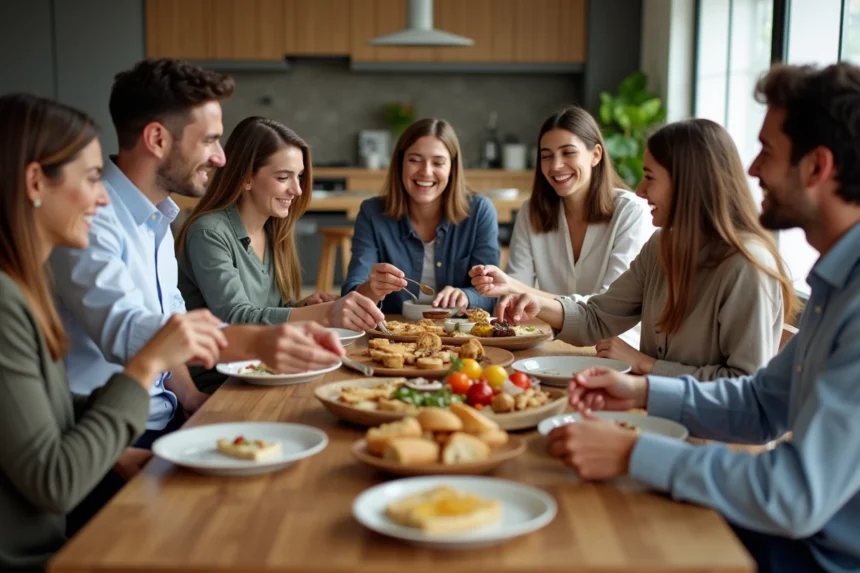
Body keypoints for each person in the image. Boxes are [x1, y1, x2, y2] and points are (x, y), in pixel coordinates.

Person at [547, 62, 860, 573]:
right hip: (799, 536)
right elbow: (762, 403)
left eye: (769, 152)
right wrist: (644, 393)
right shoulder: (837, 282)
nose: (753, 168)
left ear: (817, 167)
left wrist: (632, 454)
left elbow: (795, 494)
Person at [48, 59, 344, 533]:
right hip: (107, 440)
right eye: (209, 140)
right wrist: (253, 342)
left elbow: (171, 325)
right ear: (157, 140)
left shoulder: (159, 223)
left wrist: (191, 399)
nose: (222, 157)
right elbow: (126, 333)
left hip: (163, 423)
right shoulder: (91, 221)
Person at [0, 93, 229, 573]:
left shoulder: (24, 285)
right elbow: (56, 480)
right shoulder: (6, 301)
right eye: (90, 179)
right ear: (36, 182)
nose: (103, 196)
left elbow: (46, 413)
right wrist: (146, 365)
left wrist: (114, 453)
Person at [497, 118, 797, 380]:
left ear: (687, 183)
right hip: (652, 411)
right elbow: (599, 317)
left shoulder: (747, 266)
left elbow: (742, 385)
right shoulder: (660, 246)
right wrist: (540, 305)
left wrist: (647, 365)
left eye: (650, 177)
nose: (640, 190)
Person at [175, 116, 384, 393]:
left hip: (268, 370)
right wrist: (324, 314)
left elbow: (267, 310)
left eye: (298, 177)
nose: (296, 190)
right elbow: (236, 316)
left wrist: (301, 307)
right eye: (283, 177)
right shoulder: (208, 232)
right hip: (222, 384)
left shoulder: (275, 229)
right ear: (247, 178)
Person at [469, 106, 653, 346]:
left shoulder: (631, 212)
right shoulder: (531, 212)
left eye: (568, 153)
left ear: (595, 155)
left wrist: (515, 287)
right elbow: (515, 294)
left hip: (617, 348)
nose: (555, 165)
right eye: (546, 156)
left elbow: (609, 307)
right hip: (553, 343)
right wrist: (505, 287)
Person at [341, 118, 500, 314]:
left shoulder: (479, 212)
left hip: (460, 334)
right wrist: (372, 289)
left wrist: (467, 296)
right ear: (400, 164)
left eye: (438, 162)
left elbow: (493, 294)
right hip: (393, 335)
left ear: (452, 168)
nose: (426, 172)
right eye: (414, 160)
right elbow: (351, 293)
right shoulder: (372, 212)